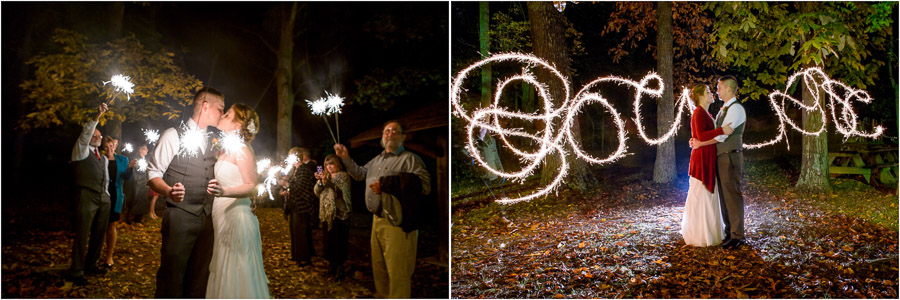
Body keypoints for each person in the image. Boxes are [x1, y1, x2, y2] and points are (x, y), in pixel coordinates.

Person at [334, 120, 431, 298]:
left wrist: (387, 184)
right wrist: (345, 157)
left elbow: (424, 186)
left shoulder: (409, 159)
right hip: (377, 221)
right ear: (382, 137)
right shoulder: (377, 160)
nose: (390, 134)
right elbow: (359, 174)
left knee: (398, 271)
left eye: (395, 131)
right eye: (387, 131)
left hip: (397, 223)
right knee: (379, 268)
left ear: (403, 137)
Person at [147, 87, 225, 298]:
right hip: (180, 217)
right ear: (205, 106)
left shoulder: (214, 141)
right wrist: (169, 191)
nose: (222, 114)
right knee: (172, 275)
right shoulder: (172, 135)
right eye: (220, 108)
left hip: (207, 219)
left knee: (200, 278)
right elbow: (153, 173)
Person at [204, 103, 270, 298]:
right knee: (223, 266)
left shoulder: (243, 149)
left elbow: (252, 185)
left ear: (238, 124)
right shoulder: (224, 149)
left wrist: (224, 191)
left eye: (228, 113)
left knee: (236, 270)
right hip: (221, 216)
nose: (223, 115)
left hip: (237, 218)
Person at [690, 75, 747, 250]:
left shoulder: (736, 109)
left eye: (720, 88)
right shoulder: (723, 110)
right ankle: (730, 232)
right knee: (724, 196)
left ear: (729, 89)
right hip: (721, 157)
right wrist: (699, 142)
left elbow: (723, 135)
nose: (717, 91)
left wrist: (700, 143)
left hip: (730, 155)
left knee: (732, 194)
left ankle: (737, 235)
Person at [681, 84, 733, 247]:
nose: (712, 94)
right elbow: (701, 135)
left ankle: (710, 232)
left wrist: (716, 133)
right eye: (708, 92)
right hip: (701, 158)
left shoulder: (706, 114)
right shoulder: (698, 113)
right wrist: (721, 130)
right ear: (701, 96)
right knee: (701, 195)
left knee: (708, 196)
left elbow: (700, 138)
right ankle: (700, 235)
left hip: (707, 156)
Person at [68, 103, 111, 285]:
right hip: (86, 195)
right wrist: (97, 115)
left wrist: (107, 195)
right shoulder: (81, 150)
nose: (97, 137)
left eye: (99, 136)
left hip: (103, 198)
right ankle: (76, 271)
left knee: (99, 234)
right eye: (95, 135)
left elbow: (106, 179)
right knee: (82, 233)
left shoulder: (103, 157)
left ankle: (91, 264)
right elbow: (85, 136)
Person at [314, 154, 352, 280]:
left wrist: (327, 182)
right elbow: (317, 192)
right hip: (327, 213)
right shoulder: (326, 176)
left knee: (339, 241)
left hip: (339, 213)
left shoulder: (343, 176)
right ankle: (332, 266)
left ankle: (340, 268)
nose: (329, 167)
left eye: (332, 164)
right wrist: (320, 181)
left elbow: (340, 191)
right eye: (327, 165)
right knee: (329, 241)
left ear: (337, 164)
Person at [100, 136, 133, 268]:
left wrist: (130, 168)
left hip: (116, 195)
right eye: (106, 147)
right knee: (99, 226)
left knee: (112, 226)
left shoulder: (123, 159)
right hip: (101, 194)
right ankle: (95, 255)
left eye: (111, 146)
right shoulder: (99, 159)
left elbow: (127, 177)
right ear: (103, 147)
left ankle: (109, 256)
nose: (109, 149)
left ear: (115, 146)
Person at [281, 147, 318, 266]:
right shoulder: (297, 170)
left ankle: (304, 258)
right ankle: (296, 255)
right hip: (295, 205)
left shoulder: (304, 170)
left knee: (301, 232)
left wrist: (287, 185)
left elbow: (301, 188)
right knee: (295, 231)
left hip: (302, 206)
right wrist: (287, 190)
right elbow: (294, 187)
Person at [127, 145, 151, 224]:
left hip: (144, 182)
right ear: (140, 150)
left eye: (147, 149)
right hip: (137, 181)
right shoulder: (136, 159)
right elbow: (135, 169)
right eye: (144, 149)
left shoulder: (146, 159)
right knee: (136, 199)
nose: (146, 150)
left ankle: (138, 218)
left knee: (143, 200)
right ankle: (130, 218)